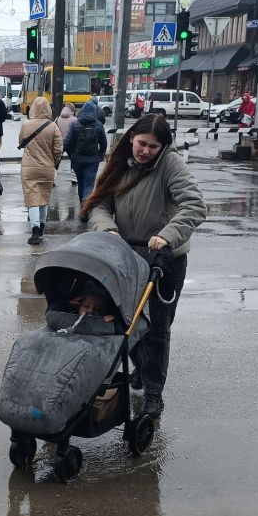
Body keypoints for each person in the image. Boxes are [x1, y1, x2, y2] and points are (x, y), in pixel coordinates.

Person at [82, 114, 207, 419]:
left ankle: (153, 393)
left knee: (158, 329)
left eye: (154, 146)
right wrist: (107, 228)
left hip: (165, 260)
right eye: (141, 143)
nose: (146, 151)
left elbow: (195, 206)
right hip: (125, 257)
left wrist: (166, 237)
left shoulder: (171, 165)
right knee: (127, 320)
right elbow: (99, 204)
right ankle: (138, 368)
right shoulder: (118, 161)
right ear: (131, 138)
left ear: (164, 147)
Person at [19, 96, 63, 246]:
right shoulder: (53, 127)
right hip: (47, 167)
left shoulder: (26, 124)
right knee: (44, 196)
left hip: (28, 168)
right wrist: (54, 162)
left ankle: (35, 229)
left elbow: (21, 142)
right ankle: (42, 225)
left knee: (32, 199)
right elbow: (58, 149)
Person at [64, 100, 108, 206]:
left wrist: (71, 155)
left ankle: (82, 205)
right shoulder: (98, 125)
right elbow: (104, 143)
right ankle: (86, 207)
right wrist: (101, 155)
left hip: (77, 160)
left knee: (81, 183)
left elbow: (67, 142)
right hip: (92, 160)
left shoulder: (75, 124)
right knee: (89, 184)